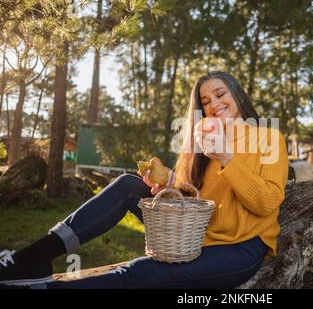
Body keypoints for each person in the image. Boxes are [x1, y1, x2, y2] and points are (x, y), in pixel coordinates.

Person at [0, 71, 289, 289]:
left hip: (239, 248)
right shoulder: (202, 142)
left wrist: (227, 157)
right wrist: (167, 187)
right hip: (193, 236)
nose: (214, 104)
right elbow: (191, 200)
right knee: (128, 186)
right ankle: (31, 259)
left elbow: (266, 203)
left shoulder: (268, 138)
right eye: (205, 101)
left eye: (220, 94)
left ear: (237, 94)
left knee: (144, 271)